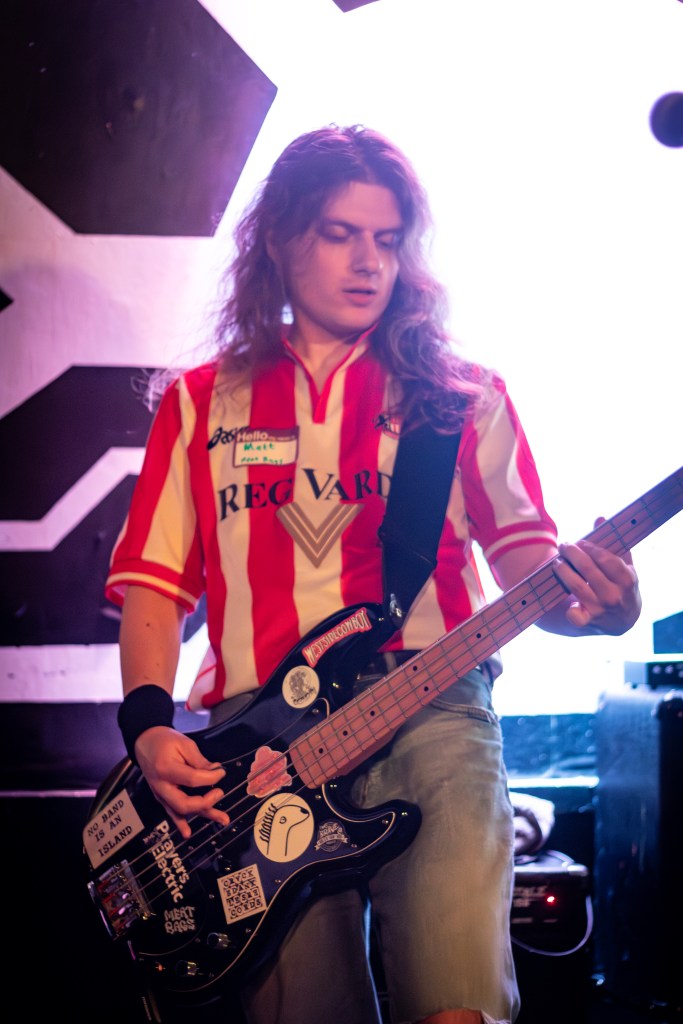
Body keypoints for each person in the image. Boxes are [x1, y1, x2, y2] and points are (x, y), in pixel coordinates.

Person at [104, 124, 641, 1024]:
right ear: (279, 238)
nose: (368, 263)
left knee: (456, 1006)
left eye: (387, 240)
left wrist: (601, 607)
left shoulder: (461, 395)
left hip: (432, 708)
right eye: (338, 234)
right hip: (256, 750)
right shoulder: (199, 401)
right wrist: (149, 727)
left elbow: (527, 563)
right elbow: (154, 588)